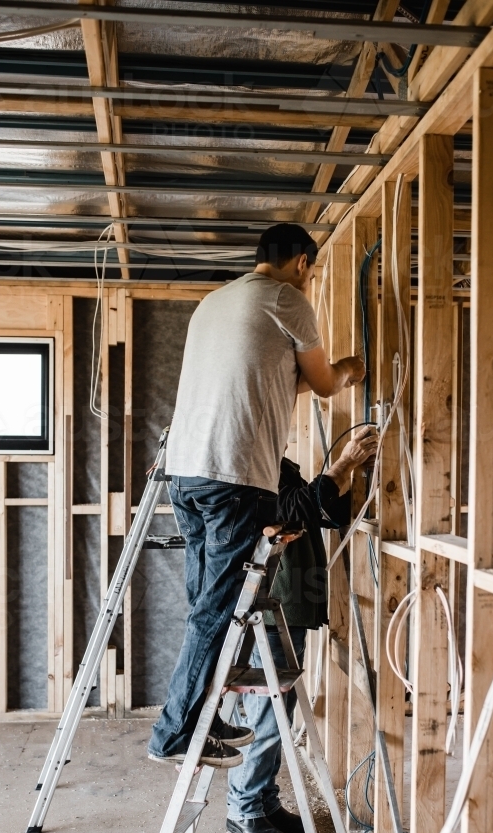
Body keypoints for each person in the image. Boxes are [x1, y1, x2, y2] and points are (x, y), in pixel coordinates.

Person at [147, 223, 365, 768]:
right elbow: (321, 383)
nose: (310, 282)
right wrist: (350, 371)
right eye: (312, 273)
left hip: (188, 473)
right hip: (234, 475)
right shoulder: (287, 300)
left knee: (207, 604)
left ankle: (197, 715)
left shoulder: (215, 302)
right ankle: (174, 732)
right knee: (218, 609)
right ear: (300, 264)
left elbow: (265, 376)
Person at [226, 427, 377, 833]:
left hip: (287, 602)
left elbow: (315, 510)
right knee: (267, 715)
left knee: (278, 709)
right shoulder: (249, 467)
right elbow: (292, 511)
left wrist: (348, 477)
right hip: (271, 603)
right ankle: (244, 809)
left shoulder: (278, 465)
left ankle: (262, 799)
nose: (285, 433)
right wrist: (343, 464)